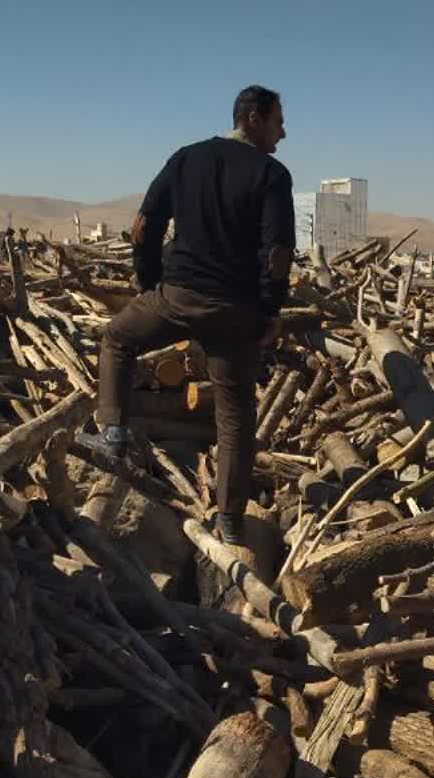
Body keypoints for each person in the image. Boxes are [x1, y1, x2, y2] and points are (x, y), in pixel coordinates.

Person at [96, 84, 296, 545]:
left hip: (177, 295)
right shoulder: (271, 174)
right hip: (236, 311)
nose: (283, 134)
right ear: (253, 118)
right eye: (278, 122)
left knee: (118, 339)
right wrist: (270, 309)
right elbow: (278, 253)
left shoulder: (186, 158)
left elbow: (143, 226)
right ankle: (230, 520)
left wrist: (150, 282)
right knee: (235, 414)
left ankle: (113, 433)